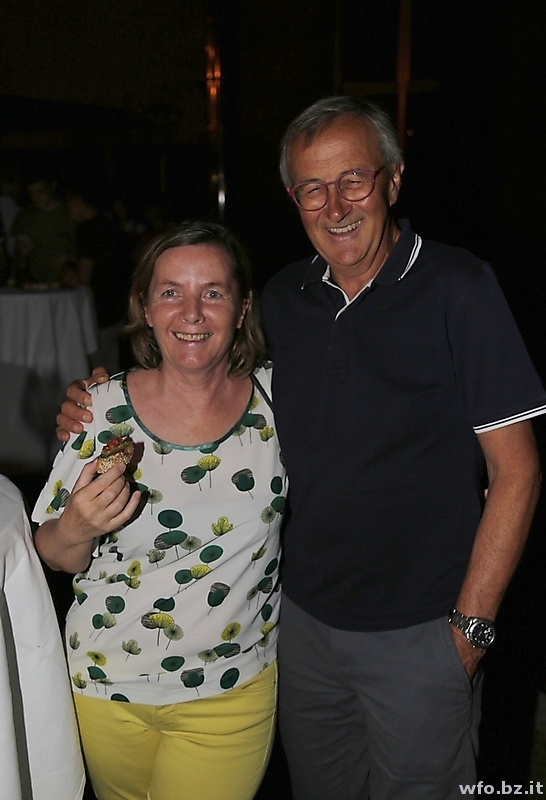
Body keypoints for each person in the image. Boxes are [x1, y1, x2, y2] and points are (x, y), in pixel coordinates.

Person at [56, 97, 546, 800]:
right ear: (294, 198)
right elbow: (207, 379)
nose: (335, 206)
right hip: (301, 630)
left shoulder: (459, 288)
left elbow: (518, 472)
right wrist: (96, 403)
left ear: (393, 180)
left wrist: (471, 630)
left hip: (421, 631)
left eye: (354, 180)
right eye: (312, 187)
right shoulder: (286, 298)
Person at [33, 220, 285, 800]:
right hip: (103, 687)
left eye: (213, 292)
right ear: (145, 309)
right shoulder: (99, 408)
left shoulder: (282, 401)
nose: (191, 313)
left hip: (230, 689)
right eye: (171, 292)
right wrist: (78, 526)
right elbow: (56, 554)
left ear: (243, 308)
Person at [66, 185, 134, 374]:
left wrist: (64, 271)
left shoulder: (87, 229)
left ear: (78, 202)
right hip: (118, 306)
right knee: (110, 364)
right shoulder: (109, 224)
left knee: (97, 367)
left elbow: (83, 280)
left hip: (100, 311)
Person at [12, 172, 75, 285]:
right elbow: (16, 258)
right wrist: (21, 254)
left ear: (52, 186)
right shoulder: (24, 216)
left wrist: (69, 260)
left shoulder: (70, 212)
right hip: (35, 283)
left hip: (67, 282)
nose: (36, 197)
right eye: (32, 193)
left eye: (41, 191)